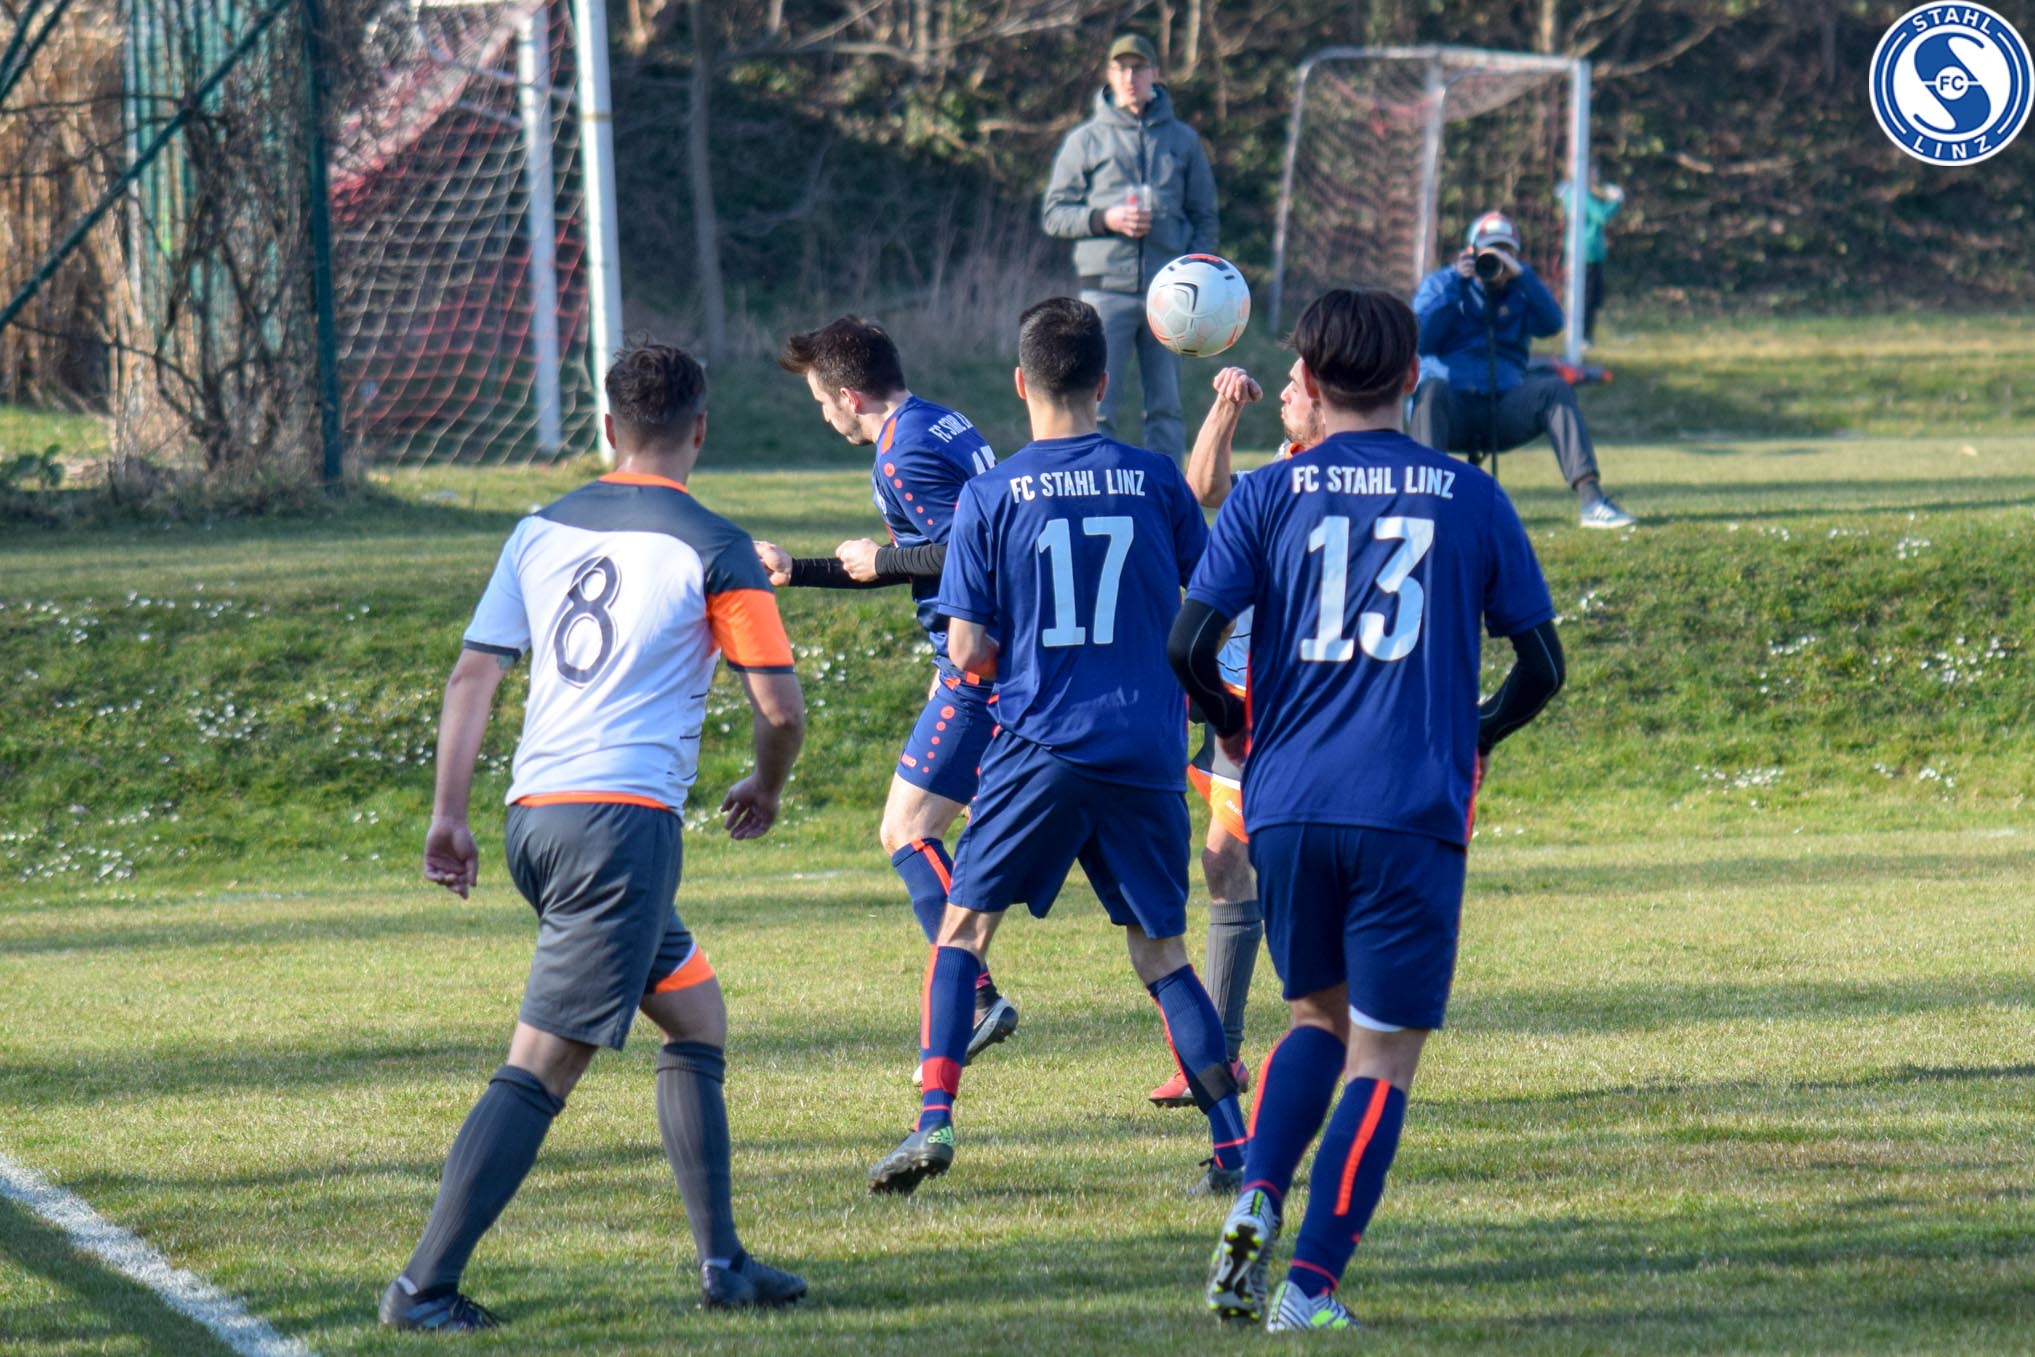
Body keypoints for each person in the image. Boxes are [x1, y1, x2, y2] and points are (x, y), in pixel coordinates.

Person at [381, 343, 809, 1332]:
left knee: (695, 1017)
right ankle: (422, 1286)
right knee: (542, 1063)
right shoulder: (715, 544)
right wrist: (765, 784)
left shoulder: (537, 529)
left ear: (609, 428)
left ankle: (724, 1263)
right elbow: (781, 710)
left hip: (537, 820)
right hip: (620, 831)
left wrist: (448, 813)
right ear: (700, 429)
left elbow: (473, 675)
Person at [1173, 288, 1565, 1331]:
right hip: (1408, 804)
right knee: (1382, 1053)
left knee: (1315, 1019)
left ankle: (1257, 1192)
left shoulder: (1267, 492)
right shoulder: (1469, 494)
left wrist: (1232, 720)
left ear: (1306, 380)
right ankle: (1308, 1288)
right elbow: (1541, 664)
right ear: (1411, 379)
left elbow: (1188, 642)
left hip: (1288, 804)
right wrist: (1476, 733)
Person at [866, 297, 1248, 1200]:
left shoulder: (991, 495)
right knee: (1161, 952)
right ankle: (1234, 1148)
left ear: (1019, 383)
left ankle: (932, 1121)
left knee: (964, 931)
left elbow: (968, 648)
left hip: (1037, 743)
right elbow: (1209, 604)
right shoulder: (1154, 479)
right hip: (1143, 748)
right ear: (1104, 383)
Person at [755, 317, 1020, 1075]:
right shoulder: (938, 420)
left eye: (821, 401)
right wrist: (800, 569)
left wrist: (885, 560)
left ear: (848, 395)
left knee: (906, 829)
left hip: (982, 664)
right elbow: (909, 557)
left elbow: (971, 550)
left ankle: (974, 996)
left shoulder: (902, 452)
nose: (823, 415)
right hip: (993, 655)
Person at [1137, 362, 1323, 1111]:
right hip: (1242, 697)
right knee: (1226, 862)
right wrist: (1222, 408)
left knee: (1267, 867)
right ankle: (1221, 1058)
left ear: (1330, 399)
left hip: (1293, 703)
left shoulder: (1338, 483)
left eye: (1297, 383)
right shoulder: (1281, 468)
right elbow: (1203, 488)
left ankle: (1308, 1039)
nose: (1284, 391)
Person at [1042, 32, 1219, 461]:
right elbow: (1054, 214)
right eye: (1121, 68)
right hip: (1104, 292)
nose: (1129, 77)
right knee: (1096, 405)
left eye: (1138, 68)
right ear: (1109, 74)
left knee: (1166, 408)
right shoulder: (1085, 140)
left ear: (1155, 74)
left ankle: (1166, 489)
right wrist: (1105, 218)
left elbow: (1205, 216)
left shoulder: (1183, 141)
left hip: (1171, 295)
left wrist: (1196, 274)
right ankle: (1095, 483)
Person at [1410, 210, 1637, 530]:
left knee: (1555, 389)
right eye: (1490, 250)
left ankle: (1592, 500)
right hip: (1452, 408)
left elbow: (1553, 323)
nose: (1496, 259)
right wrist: (1457, 285)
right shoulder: (1442, 283)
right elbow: (1421, 340)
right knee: (1429, 390)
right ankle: (1427, 507)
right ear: (1470, 251)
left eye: (1506, 252)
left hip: (1503, 406)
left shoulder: (1521, 289)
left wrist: (1523, 277)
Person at [1556, 166, 1624, 344]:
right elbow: (1601, 215)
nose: (1596, 177)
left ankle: (1580, 336)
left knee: (1585, 296)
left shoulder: (1571, 193)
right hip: (1587, 254)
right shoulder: (1582, 195)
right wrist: (1616, 201)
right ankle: (1583, 337)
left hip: (1581, 252)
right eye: (1593, 173)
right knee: (1588, 298)